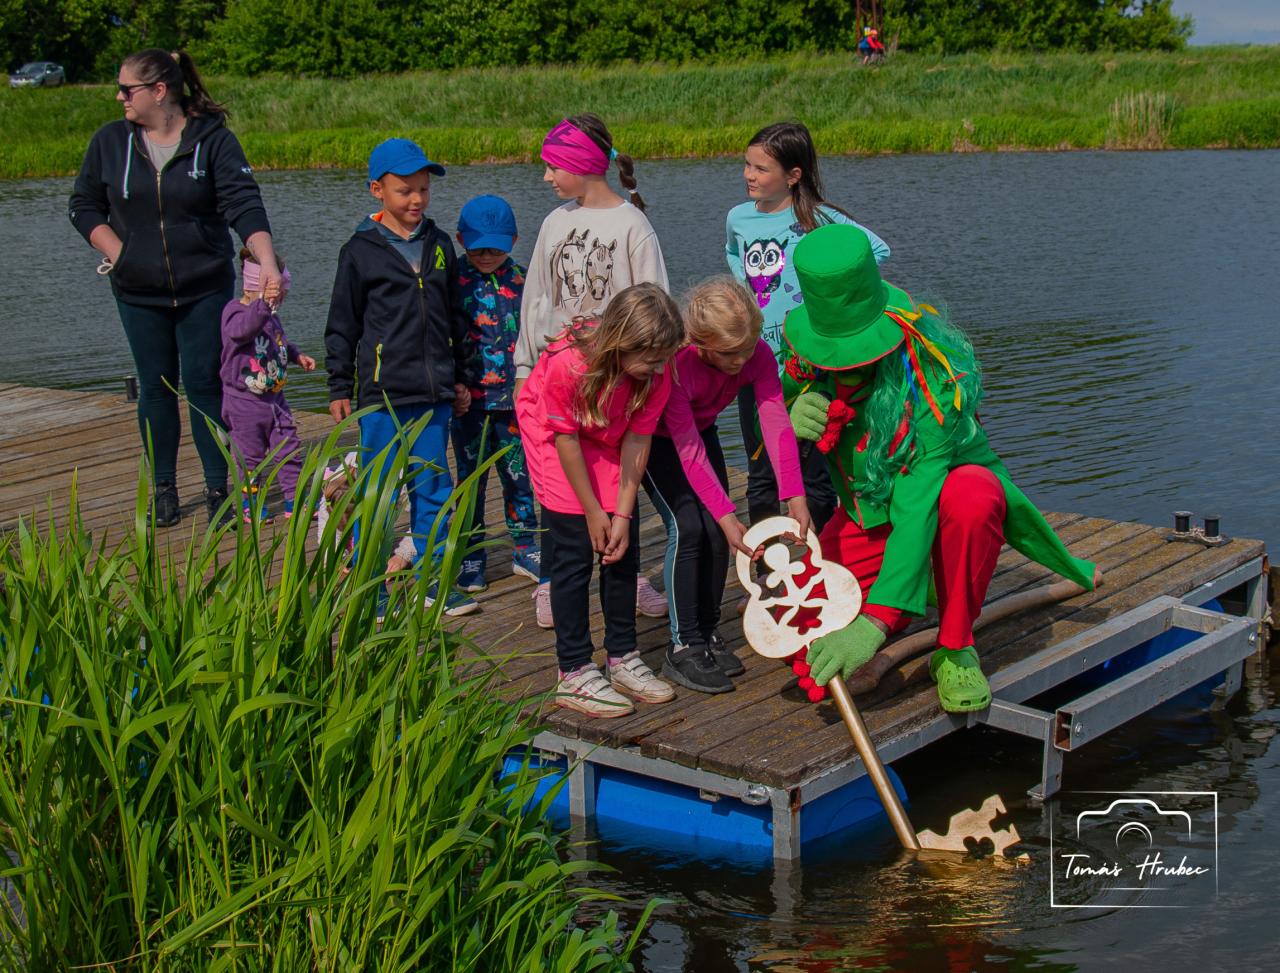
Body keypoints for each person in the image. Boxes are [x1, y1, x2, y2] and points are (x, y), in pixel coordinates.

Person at [781, 224, 1099, 713]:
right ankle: (926, 581)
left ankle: (955, 646)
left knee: (973, 494)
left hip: (936, 509)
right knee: (806, 632)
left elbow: (916, 506)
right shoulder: (807, 357)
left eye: (853, 346)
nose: (843, 359)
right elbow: (768, 420)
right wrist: (789, 415)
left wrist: (876, 622)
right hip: (867, 519)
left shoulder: (930, 380)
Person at [69, 48, 282, 528]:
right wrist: (119, 252)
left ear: (159, 91)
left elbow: (244, 204)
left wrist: (266, 261)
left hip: (204, 286)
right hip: (137, 290)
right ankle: (164, 488)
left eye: (127, 89)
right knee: (156, 385)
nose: (120, 97)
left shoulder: (213, 141)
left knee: (206, 382)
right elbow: (83, 205)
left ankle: (218, 488)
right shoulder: (110, 142)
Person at [516, 113, 672, 624]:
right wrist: (523, 367)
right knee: (556, 486)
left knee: (613, 484)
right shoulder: (554, 222)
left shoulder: (632, 225)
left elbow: (656, 304)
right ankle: (553, 582)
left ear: (581, 163)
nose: (546, 177)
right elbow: (537, 300)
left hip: (616, 384)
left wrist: (650, 370)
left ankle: (626, 576)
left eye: (552, 166)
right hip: (557, 378)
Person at [324, 137, 477, 616]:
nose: (416, 200)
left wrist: (461, 376)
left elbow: (456, 317)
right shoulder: (359, 251)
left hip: (432, 394)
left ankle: (435, 581)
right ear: (377, 190)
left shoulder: (439, 244)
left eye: (423, 190)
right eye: (404, 190)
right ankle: (372, 589)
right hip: (381, 397)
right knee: (379, 495)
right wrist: (339, 386)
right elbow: (342, 324)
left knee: (432, 490)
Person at [515, 284, 684, 718]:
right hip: (559, 438)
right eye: (651, 359)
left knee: (620, 550)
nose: (660, 367)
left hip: (610, 434)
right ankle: (572, 670)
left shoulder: (656, 370)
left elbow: (638, 440)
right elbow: (566, 440)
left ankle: (622, 657)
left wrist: (622, 514)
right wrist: (592, 511)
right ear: (621, 343)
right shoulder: (569, 363)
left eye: (663, 358)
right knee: (574, 552)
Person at [644, 278, 812, 694]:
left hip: (702, 432)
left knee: (721, 537)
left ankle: (707, 631)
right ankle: (683, 645)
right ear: (701, 341)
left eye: (747, 349)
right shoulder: (678, 363)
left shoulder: (756, 353)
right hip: (657, 441)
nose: (740, 361)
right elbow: (686, 448)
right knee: (690, 527)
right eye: (728, 353)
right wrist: (724, 514)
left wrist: (794, 494)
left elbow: (775, 420)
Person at [726, 120, 891, 538]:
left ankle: (823, 562)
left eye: (761, 169)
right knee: (761, 471)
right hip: (755, 361)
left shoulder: (819, 218)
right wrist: (747, 295)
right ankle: (766, 565)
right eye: (747, 165)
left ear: (793, 175)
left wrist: (833, 298)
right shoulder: (738, 218)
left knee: (816, 472)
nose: (749, 175)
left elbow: (876, 250)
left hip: (808, 365)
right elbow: (733, 255)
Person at [449, 194, 542, 596]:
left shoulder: (524, 280)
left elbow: (539, 336)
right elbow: (441, 338)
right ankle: (471, 554)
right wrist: (452, 383)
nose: (486, 255)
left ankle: (525, 546)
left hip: (515, 400)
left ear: (514, 240)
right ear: (460, 240)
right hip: (468, 403)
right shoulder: (451, 281)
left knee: (519, 477)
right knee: (471, 482)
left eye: (496, 247)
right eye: (478, 248)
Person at [219, 249, 315, 522]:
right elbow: (242, 331)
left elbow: (278, 342)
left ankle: (295, 499)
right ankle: (249, 503)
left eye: (281, 295)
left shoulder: (270, 316)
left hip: (275, 399)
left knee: (289, 449)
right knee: (249, 458)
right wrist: (262, 305)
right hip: (244, 402)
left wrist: (296, 355)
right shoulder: (235, 312)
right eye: (276, 295)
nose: (279, 301)